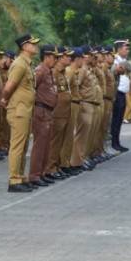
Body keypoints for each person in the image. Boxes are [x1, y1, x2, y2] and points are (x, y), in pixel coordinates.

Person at [1, 34, 40, 192]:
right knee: (17, 145)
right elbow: (9, 86)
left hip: (25, 109)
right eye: (32, 44)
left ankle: (20, 177)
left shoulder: (26, 64)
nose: (35, 46)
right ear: (24, 46)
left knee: (23, 146)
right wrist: (4, 100)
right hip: (19, 110)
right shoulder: (19, 64)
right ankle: (14, 180)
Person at [29, 44, 59, 187]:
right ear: (47, 57)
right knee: (40, 145)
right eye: (54, 57)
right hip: (40, 111)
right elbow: (31, 88)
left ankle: (42, 172)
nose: (56, 60)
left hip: (48, 111)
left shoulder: (49, 71)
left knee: (47, 145)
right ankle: (34, 175)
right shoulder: (40, 70)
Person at [45, 46, 73, 180]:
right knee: (54, 142)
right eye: (68, 56)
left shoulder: (63, 72)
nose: (70, 59)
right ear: (61, 58)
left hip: (64, 112)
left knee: (60, 141)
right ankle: (49, 168)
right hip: (57, 112)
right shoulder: (54, 72)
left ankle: (56, 166)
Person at [76, 46, 99, 171]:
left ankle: (84, 157)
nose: (92, 57)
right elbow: (76, 86)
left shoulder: (88, 69)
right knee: (82, 135)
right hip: (85, 103)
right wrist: (80, 102)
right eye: (90, 55)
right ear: (84, 56)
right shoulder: (82, 70)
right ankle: (79, 159)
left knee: (87, 135)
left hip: (91, 103)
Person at [65, 47, 85, 176]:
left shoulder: (74, 71)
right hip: (71, 104)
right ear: (77, 59)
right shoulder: (70, 71)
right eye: (82, 58)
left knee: (71, 136)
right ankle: (67, 163)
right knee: (69, 136)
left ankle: (70, 162)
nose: (83, 60)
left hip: (76, 104)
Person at [110, 40, 131, 152]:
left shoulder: (124, 60)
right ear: (118, 49)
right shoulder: (115, 60)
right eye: (125, 48)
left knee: (119, 119)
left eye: (128, 48)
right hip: (116, 92)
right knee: (115, 120)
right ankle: (114, 143)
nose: (127, 50)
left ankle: (117, 142)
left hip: (123, 93)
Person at [0, 51, 15, 156]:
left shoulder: (11, 70)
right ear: (6, 58)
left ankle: (5, 145)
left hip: (8, 101)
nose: (11, 63)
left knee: (7, 124)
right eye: (10, 60)